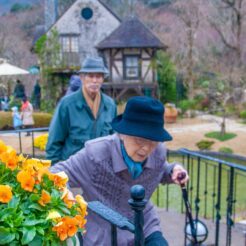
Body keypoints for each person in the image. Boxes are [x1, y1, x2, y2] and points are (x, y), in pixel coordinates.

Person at [50, 96, 189, 246]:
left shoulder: (158, 151)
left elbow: (160, 169)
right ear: (122, 134)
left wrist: (172, 170)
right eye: (140, 140)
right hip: (105, 235)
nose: (146, 148)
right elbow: (55, 172)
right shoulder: (96, 155)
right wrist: (65, 192)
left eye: (153, 140)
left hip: (144, 226)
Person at [46, 57, 117, 164]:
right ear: (82, 78)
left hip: (102, 171)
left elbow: (114, 142)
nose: (94, 80)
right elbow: (54, 142)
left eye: (98, 76)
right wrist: (54, 172)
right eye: (90, 76)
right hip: (73, 170)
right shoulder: (67, 104)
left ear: (103, 79)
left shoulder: (110, 105)